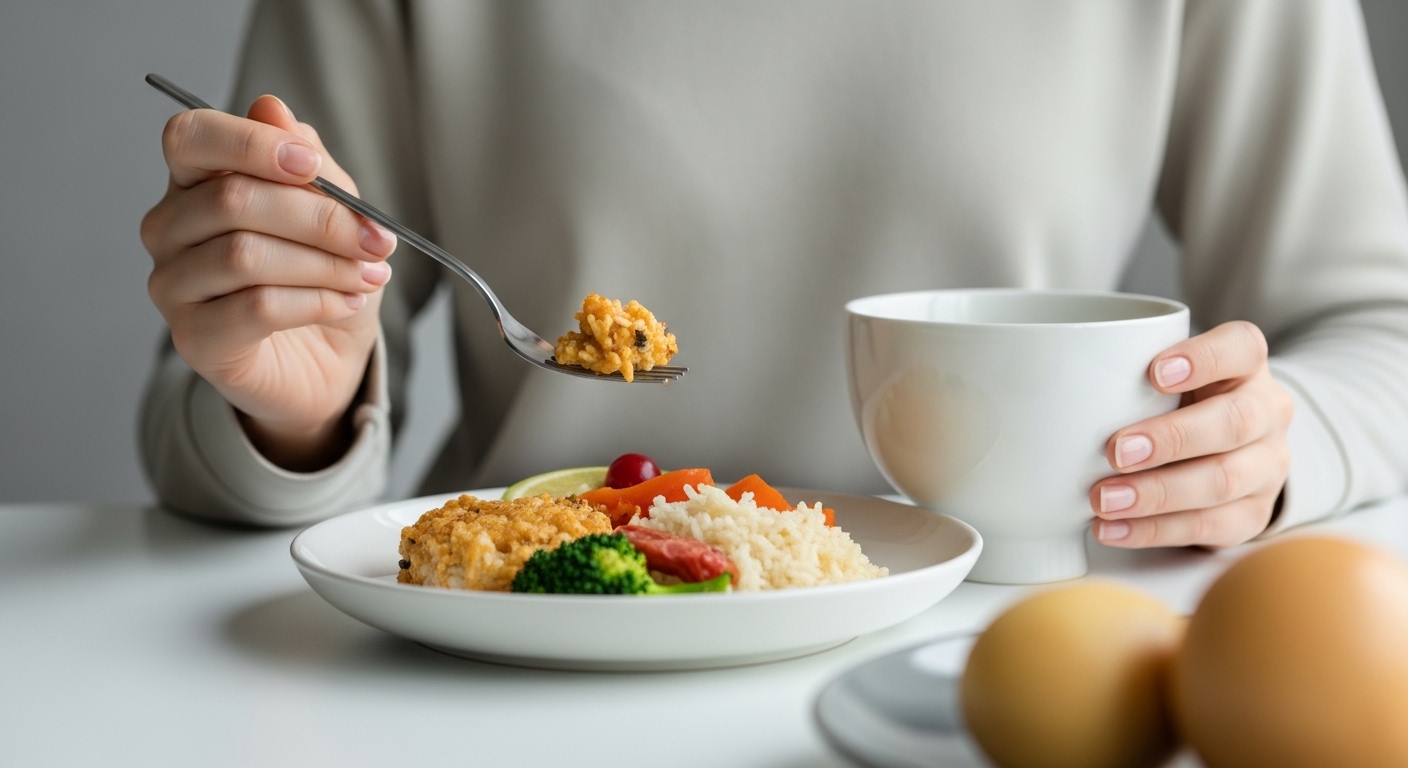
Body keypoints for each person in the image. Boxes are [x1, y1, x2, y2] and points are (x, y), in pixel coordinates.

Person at [139, 0, 1408, 549]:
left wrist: (1267, 450)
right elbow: (209, 430)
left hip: (985, 673)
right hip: (514, 673)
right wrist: (294, 417)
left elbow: (1376, 323)